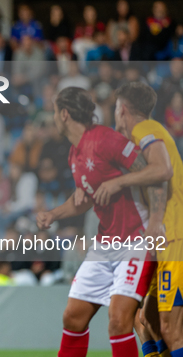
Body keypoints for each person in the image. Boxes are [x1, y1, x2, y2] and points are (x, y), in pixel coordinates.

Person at [36, 87, 162, 357]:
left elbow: (154, 174)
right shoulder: (75, 153)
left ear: (65, 114)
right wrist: (53, 214)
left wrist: (155, 222)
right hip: (105, 244)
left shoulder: (107, 139)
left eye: (55, 112)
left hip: (135, 240)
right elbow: (83, 200)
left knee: (118, 321)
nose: (54, 118)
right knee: (73, 317)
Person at [86, 83, 183, 356]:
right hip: (160, 242)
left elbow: (161, 170)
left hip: (175, 238)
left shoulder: (145, 129)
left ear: (123, 109)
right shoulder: (140, 139)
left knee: (171, 329)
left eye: (116, 109)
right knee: (145, 321)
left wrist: (119, 184)